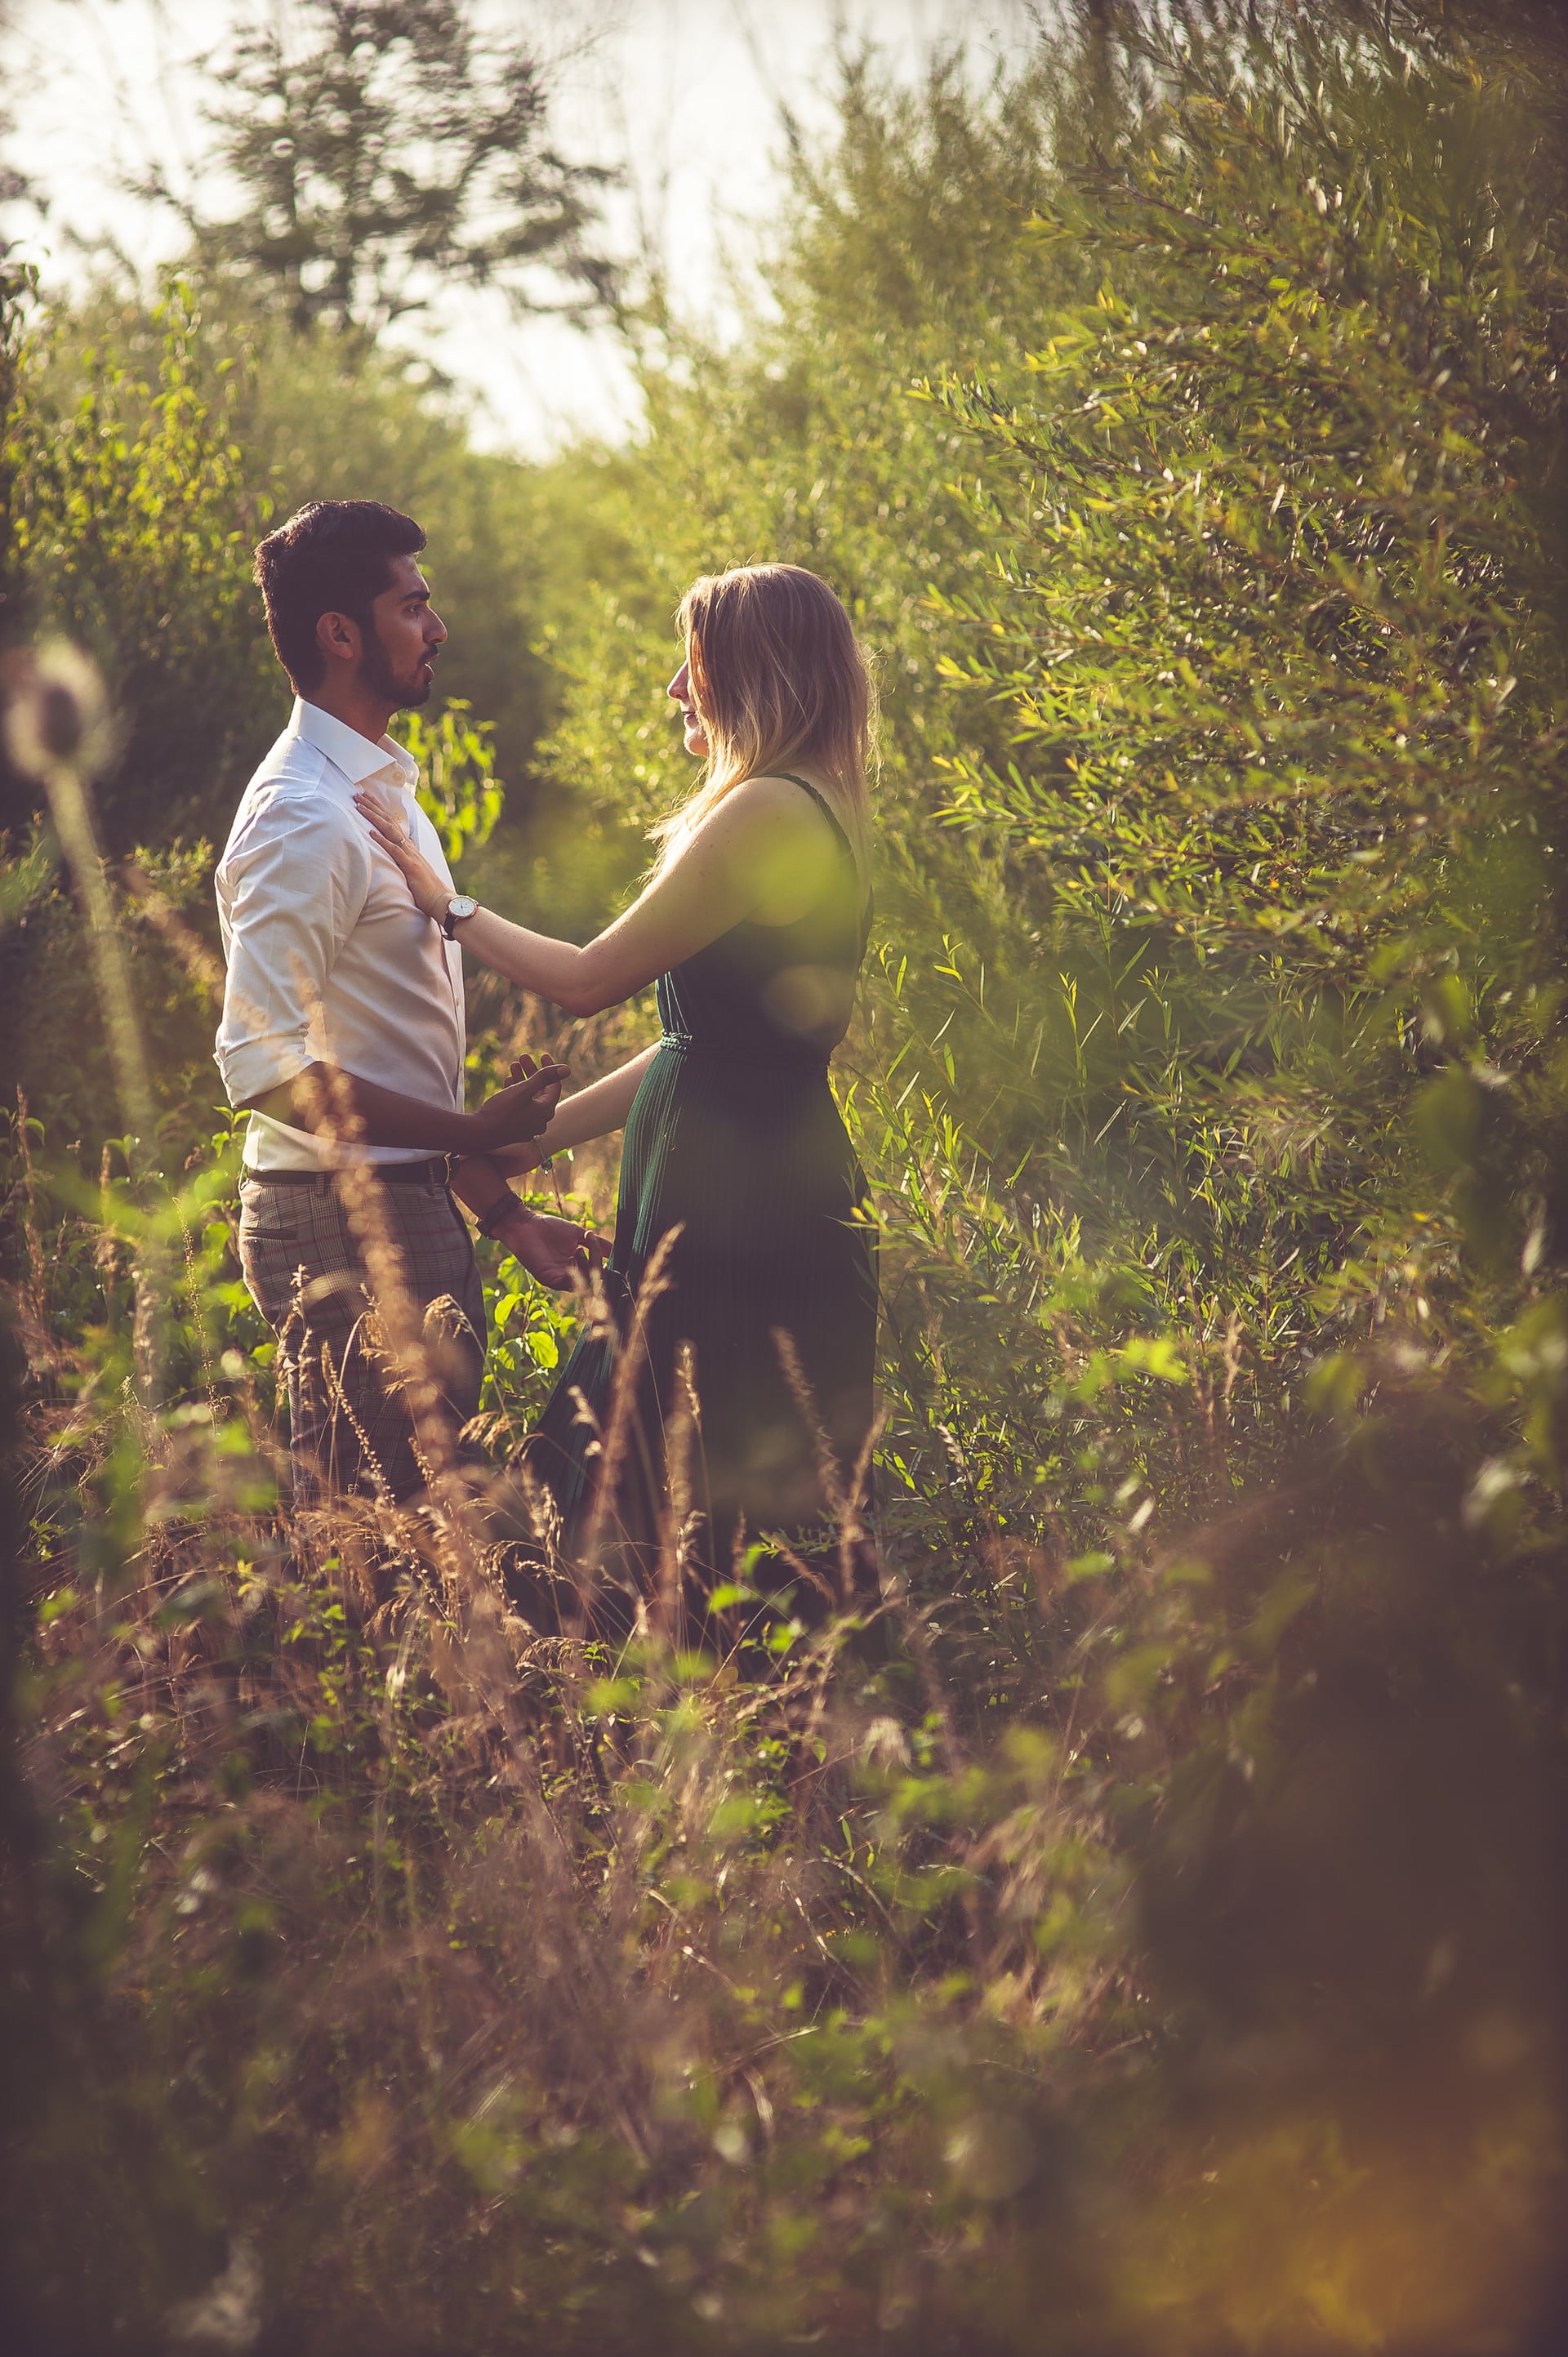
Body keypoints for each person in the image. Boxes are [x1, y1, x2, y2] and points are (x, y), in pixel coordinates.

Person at [356, 562, 879, 1633]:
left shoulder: (767, 810)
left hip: (736, 1207)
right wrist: (529, 1145)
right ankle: (682, 1752)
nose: (673, 690)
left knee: (651, 1504)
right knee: (682, 1506)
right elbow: (700, 1044)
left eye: (690, 663)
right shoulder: (814, 802)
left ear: (748, 669)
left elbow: (588, 981)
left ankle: (658, 1753)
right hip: (745, 1177)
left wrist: (444, 900)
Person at [215, 498, 586, 1505]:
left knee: (422, 1524)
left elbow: (384, 1045)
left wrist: (500, 1211)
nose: (439, 628)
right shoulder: (304, 817)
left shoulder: (380, 792)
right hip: (338, 1221)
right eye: (414, 606)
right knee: (390, 1540)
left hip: (399, 1204)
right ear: (342, 634)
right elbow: (263, 1069)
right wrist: (469, 1127)